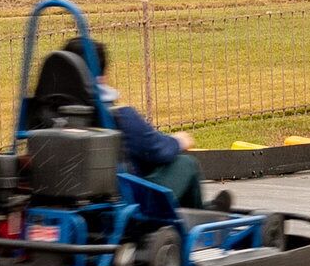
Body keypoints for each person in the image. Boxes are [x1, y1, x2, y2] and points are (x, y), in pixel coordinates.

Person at [54, 35, 202, 208]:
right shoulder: (119, 117)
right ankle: (202, 219)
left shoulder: (50, 117)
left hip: (66, 197)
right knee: (185, 164)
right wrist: (179, 141)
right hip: (123, 202)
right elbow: (157, 150)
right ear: (100, 77)